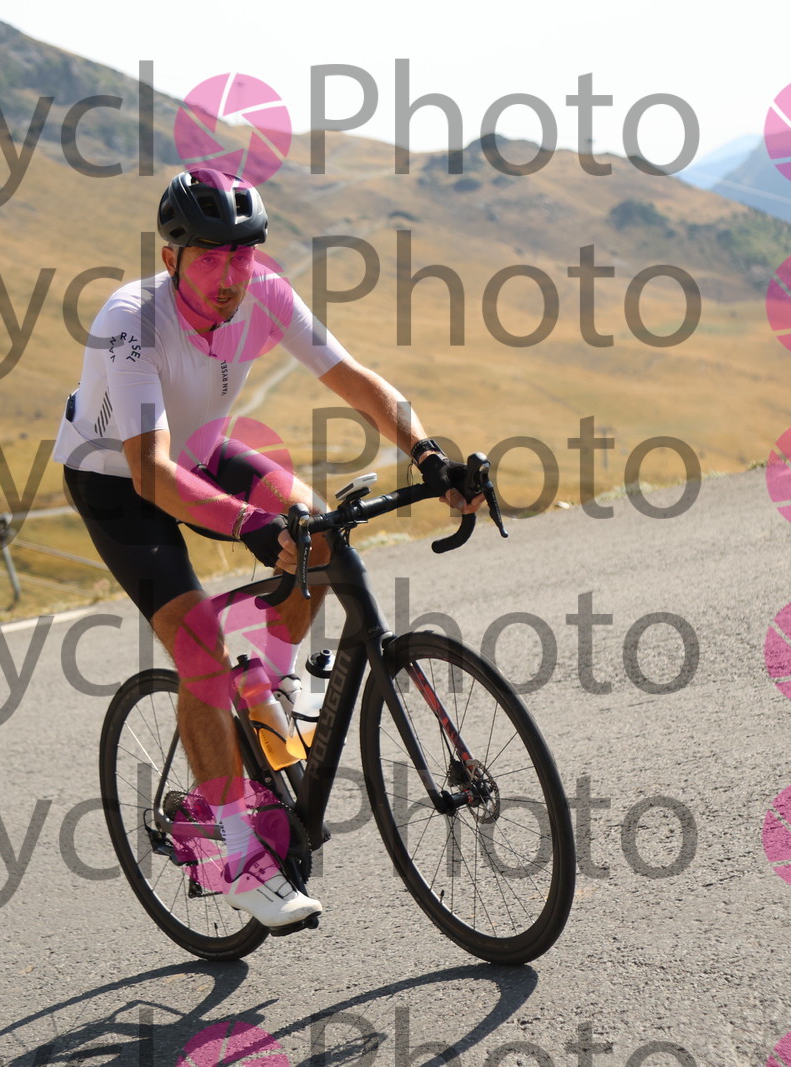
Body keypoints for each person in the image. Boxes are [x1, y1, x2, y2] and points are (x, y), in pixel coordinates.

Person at [53, 167, 480, 929]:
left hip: (201, 451)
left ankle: (276, 691)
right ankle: (240, 849)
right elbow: (151, 473)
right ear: (171, 256)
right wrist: (250, 526)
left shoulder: (266, 294)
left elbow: (356, 380)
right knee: (201, 644)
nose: (229, 276)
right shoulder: (130, 320)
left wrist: (429, 456)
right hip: (120, 480)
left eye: (241, 255)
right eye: (210, 258)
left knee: (317, 529)